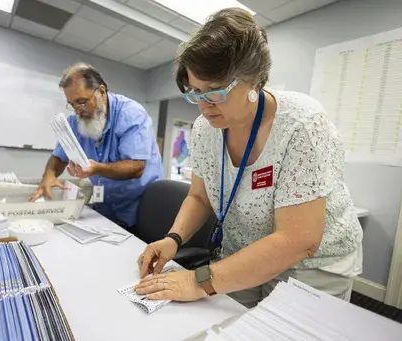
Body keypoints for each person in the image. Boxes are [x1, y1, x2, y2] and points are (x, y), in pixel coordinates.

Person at [136, 8, 363, 308]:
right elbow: (200, 198)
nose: (203, 106)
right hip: (240, 254)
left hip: (311, 266)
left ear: (254, 82)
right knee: (218, 324)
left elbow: (298, 240)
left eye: (216, 92)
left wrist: (197, 280)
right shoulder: (205, 130)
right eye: (196, 92)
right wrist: (173, 239)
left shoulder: (302, 124)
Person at [32, 63, 163, 232]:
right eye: (72, 104)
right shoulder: (75, 121)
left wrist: (95, 168)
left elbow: (136, 167)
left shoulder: (131, 114)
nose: (77, 111)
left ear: (101, 92)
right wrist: (49, 176)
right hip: (105, 206)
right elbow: (58, 157)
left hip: (140, 208)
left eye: (81, 102)